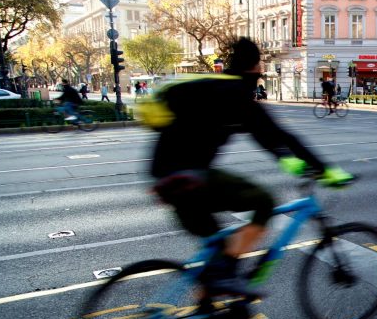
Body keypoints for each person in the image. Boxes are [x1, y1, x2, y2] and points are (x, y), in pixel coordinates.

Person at [150, 37, 353, 304]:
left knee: (219, 250)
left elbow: (268, 140)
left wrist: (287, 159)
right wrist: (325, 170)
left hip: (165, 176)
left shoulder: (215, 88)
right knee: (263, 202)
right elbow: (279, 135)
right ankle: (223, 281)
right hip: (186, 178)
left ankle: (206, 309)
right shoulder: (235, 94)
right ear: (255, 66)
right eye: (260, 65)